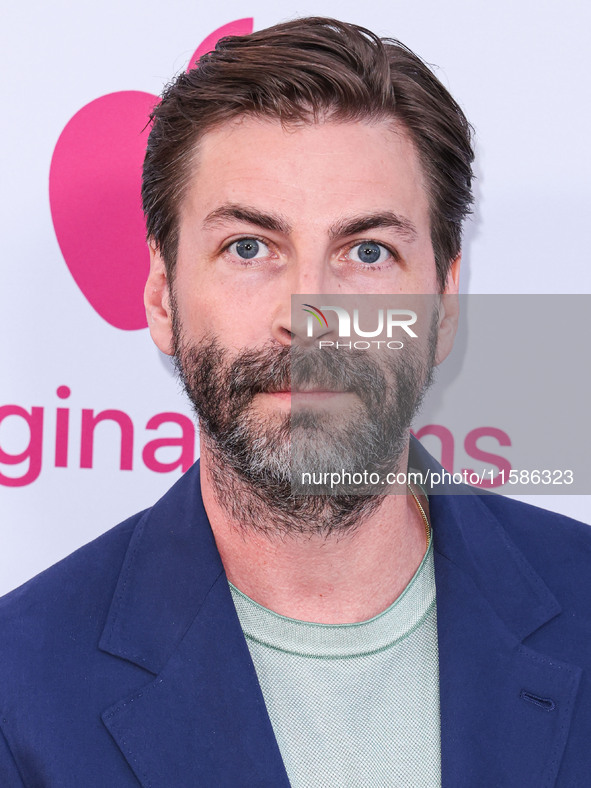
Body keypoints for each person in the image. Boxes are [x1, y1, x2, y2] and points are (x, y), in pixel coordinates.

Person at [0, 16, 590, 788]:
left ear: (444, 304)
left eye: (367, 251)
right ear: (161, 295)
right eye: (248, 247)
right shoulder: (20, 690)